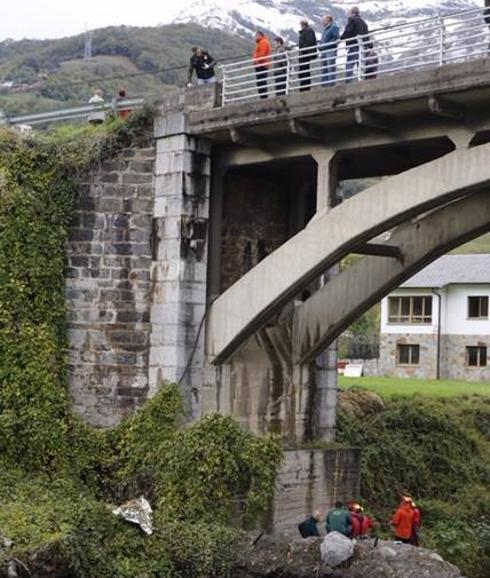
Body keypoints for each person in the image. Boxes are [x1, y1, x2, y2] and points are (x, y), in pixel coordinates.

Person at [340, 6, 369, 83]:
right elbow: (366, 35)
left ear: (352, 13)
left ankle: (348, 82)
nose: (348, 15)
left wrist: (341, 38)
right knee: (361, 65)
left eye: (349, 13)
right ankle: (362, 81)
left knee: (349, 64)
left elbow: (348, 31)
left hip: (354, 45)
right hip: (363, 46)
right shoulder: (363, 22)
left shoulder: (352, 20)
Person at [319, 15, 340, 87]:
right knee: (324, 68)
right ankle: (324, 85)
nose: (322, 22)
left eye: (324, 20)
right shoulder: (325, 30)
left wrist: (325, 45)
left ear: (328, 20)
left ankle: (331, 85)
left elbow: (336, 38)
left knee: (330, 67)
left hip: (330, 50)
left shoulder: (334, 27)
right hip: (324, 51)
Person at [298, 19, 317, 91]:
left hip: (305, 54)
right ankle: (303, 87)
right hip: (304, 53)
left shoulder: (308, 30)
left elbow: (310, 41)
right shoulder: (307, 30)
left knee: (304, 71)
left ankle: (304, 88)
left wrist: (302, 49)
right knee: (303, 71)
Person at [253, 31, 272, 99]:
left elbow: (262, 53)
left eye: (256, 35)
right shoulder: (261, 42)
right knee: (260, 82)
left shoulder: (263, 42)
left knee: (261, 82)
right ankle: (263, 97)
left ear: (260, 35)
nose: (255, 37)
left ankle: (263, 97)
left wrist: (257, 60)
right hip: (260, 64)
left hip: (262, 65)